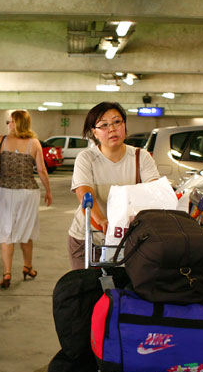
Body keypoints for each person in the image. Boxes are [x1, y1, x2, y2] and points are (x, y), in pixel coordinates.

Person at [67, 102, 160, 269]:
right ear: (94, 132)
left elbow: (153, 190)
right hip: (89, 239)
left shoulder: (141, 157)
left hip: (129, 240)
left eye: (117, 122)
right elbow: (84, 192)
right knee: (89, 290)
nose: (112, 129)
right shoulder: (86, 158)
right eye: (104, 125)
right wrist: (101, 220)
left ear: (124, 125)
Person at [0, 109, 52, 288]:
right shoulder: (34, 143)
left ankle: (7, 273)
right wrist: (48, 191)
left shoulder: (2, 141)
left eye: (10, 121)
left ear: (17, 123)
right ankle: (28, 267)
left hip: (4, 190)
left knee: (8, 233)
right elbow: (42, 171)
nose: (8, 125)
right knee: (26, 232)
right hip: (27, 192)